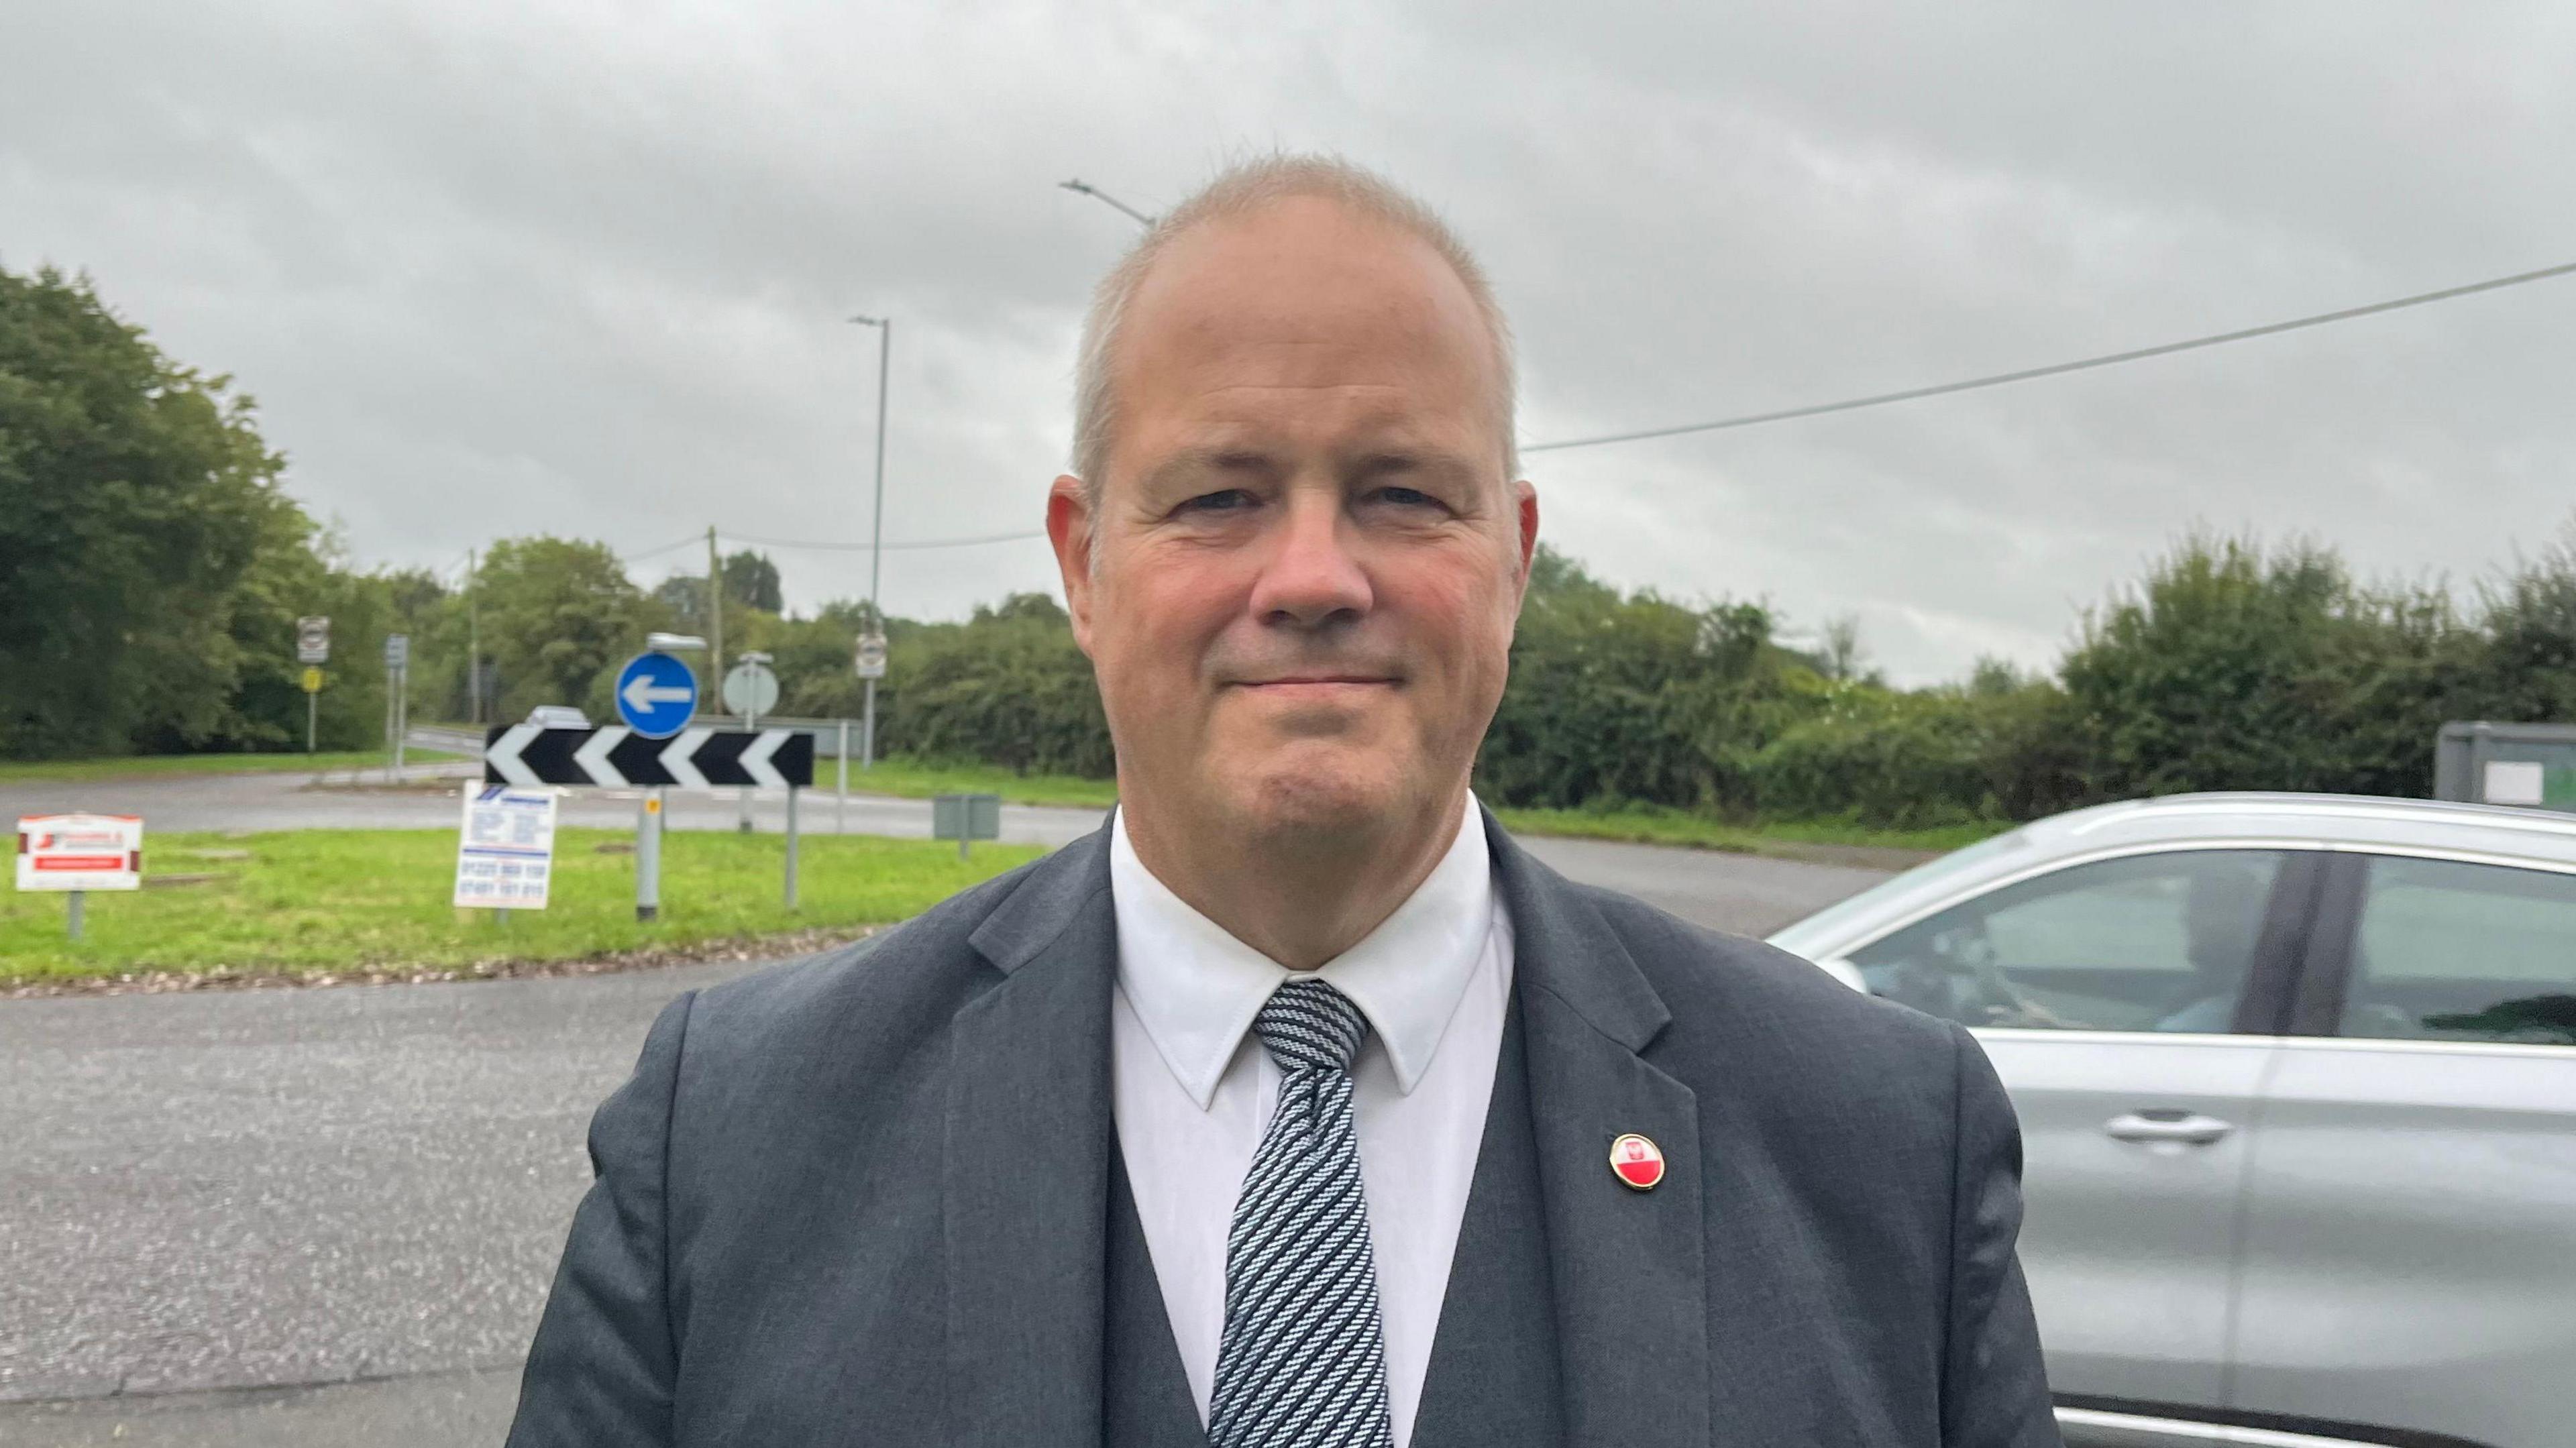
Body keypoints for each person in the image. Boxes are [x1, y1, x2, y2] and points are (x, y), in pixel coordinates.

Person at [505, 155, 2061, 1448]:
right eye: (1220, 497)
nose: (1314, 578)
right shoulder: (735, 1138)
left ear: (1513, 558)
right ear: (1082, 561)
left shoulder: (1877, 1148)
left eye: (1401, 492)